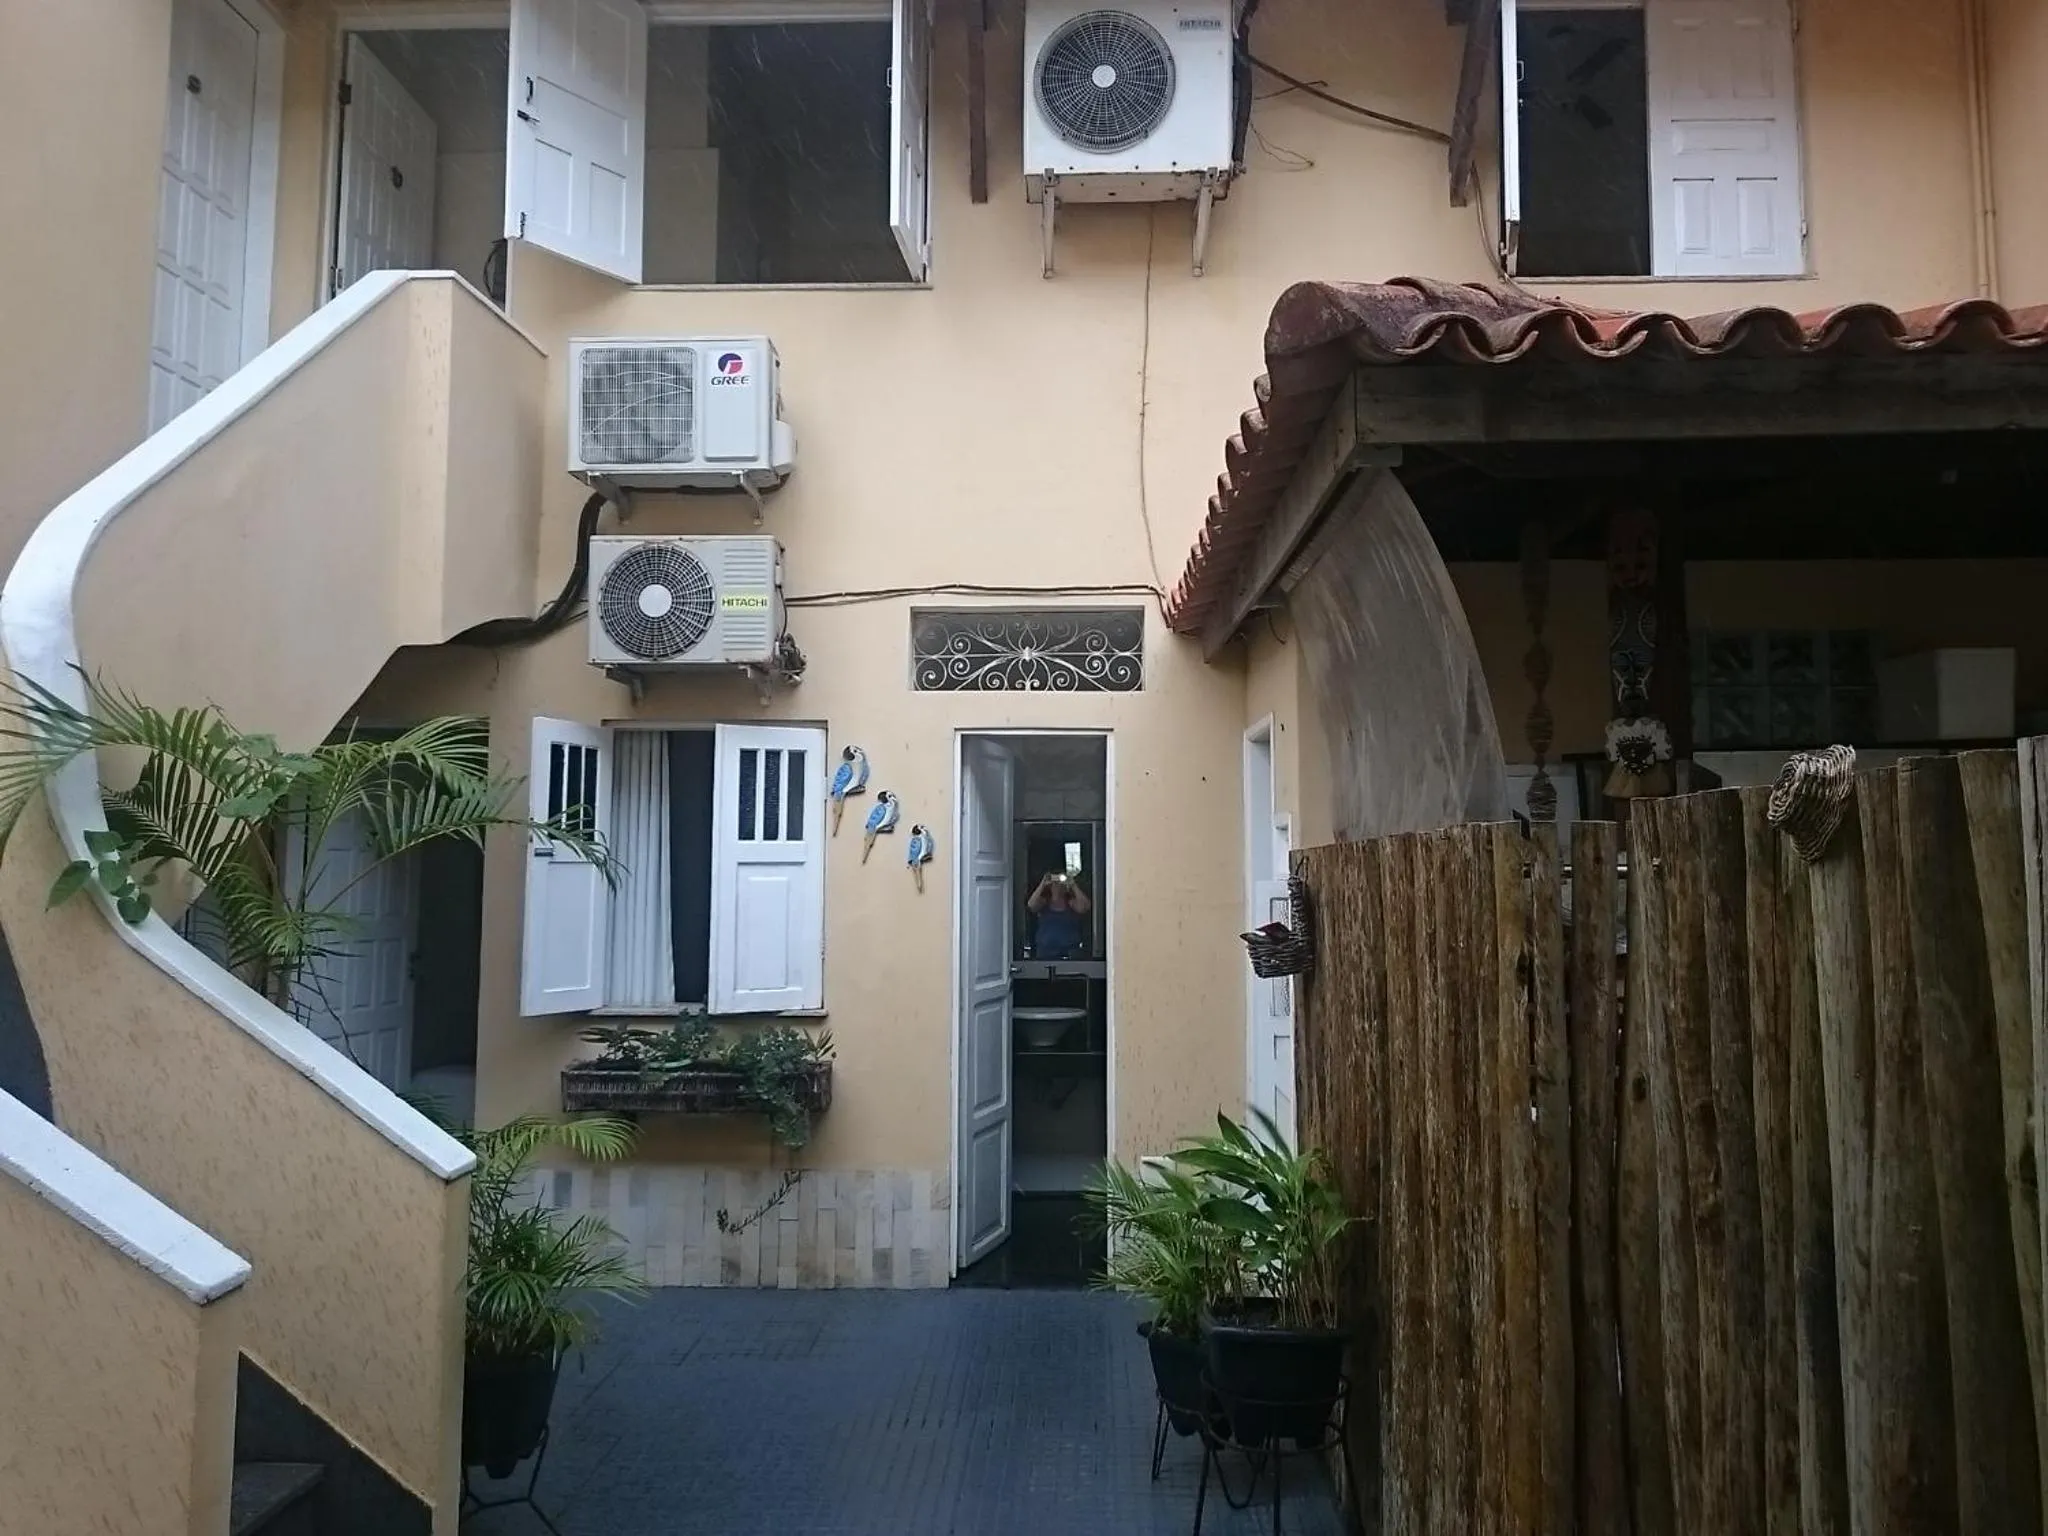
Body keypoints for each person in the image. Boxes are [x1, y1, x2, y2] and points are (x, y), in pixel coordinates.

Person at [1026, 870, 1092, 959]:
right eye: (1054, 883)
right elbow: (1031, 905)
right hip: (1045, 952)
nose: (1058, 886)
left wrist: (1073, 885)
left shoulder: (1071, 904)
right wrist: (1043, 883)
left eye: (1061, 883)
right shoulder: (1044, 903)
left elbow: (1085, 907)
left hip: (1070, 951)